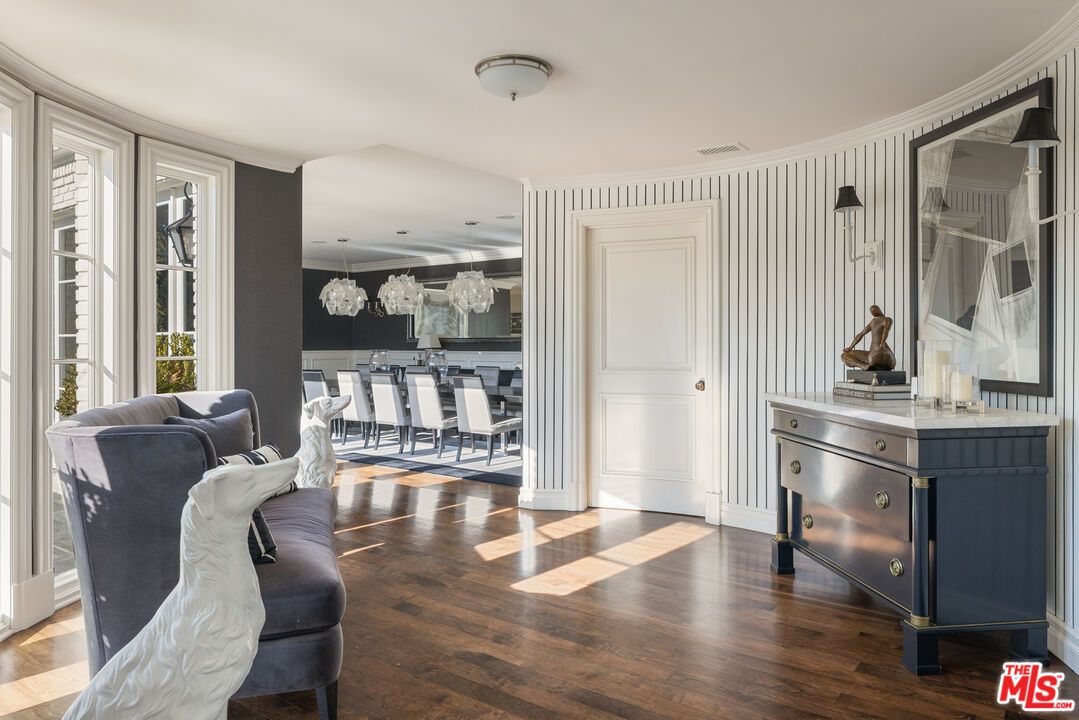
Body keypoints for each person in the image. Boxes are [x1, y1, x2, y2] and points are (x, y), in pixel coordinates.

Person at [841, 305, 896, 371]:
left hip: (875, 354)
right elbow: (861, 335)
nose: (873, 313)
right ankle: (865, 365)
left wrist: (882, 344)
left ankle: (863, 365)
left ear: (876, 312)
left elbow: (861, 334)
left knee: (844, 355)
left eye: (873, 312)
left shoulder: (878, 321)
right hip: (890, 361)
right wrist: (850, 347)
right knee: (846, 355)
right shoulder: (883, 320)